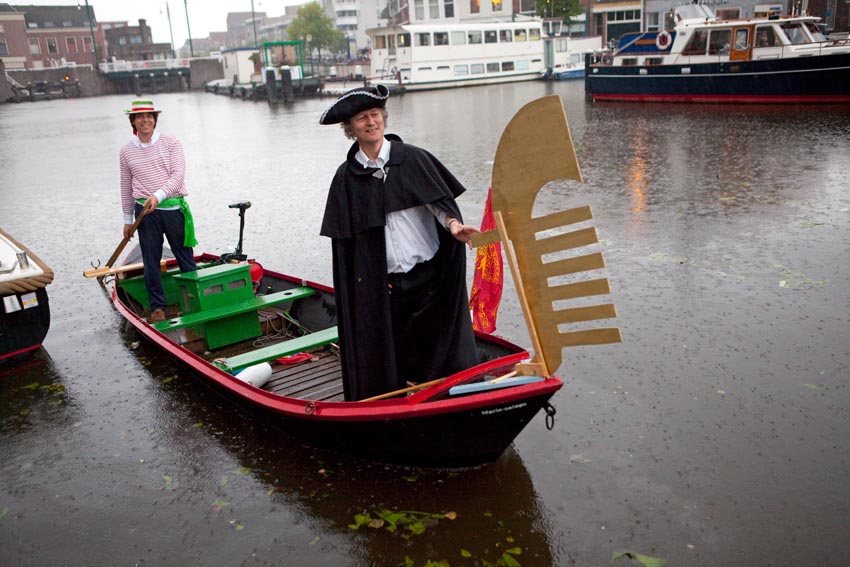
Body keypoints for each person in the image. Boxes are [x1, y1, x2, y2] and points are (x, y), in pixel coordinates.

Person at [319, 85, 480, 401]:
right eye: (362, 118)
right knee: (391, 355)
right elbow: (348, 249)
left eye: (375, 115)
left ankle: (448, 402)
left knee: (438, 350)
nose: (371, 122)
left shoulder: (413, 159)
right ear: (350, 129)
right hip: (386, 288)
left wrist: (454, 226)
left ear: (384, 119)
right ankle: (394, 408)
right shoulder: (346, 179)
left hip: (429, 278)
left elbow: (439, 205)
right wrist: (370, 282)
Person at [119, 99, 198, 323]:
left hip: (172, 207)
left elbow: (177, 176)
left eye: (149, 116)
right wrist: (127, 219)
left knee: (185, 258)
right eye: (140, 116)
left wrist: (158, 195)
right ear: (133, 121)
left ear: (155, 119)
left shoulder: (171, 143)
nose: (145, 120)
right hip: (144, 212)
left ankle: (193, 302)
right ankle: (157, 308)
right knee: (151, 261)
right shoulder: (126, 151)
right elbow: (126, 185)